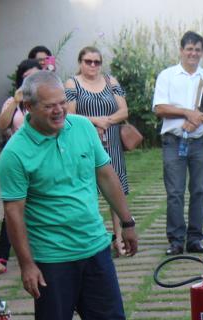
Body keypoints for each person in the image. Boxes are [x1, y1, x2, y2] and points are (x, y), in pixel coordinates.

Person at [0, 71, 162, 320]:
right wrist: (27, 264)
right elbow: (14, 212)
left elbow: (106, 175)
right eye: (49, 106)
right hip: (52, 257)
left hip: (94, 246)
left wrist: (128, 221)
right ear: (28, 107)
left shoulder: (83, 129)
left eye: (62, 103)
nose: (59, 111)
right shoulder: (15, 153)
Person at [152, 31, 203, 255]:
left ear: (202, 52)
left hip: (200, 141)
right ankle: (175, 240)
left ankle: (195, 239)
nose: (193, 53)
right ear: (181, 50)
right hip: (174, 141)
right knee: (174, 191)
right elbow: (159, 108)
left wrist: (199, 119)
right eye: (189, 49)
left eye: (197, 49)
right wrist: (186, 113)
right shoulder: (168, 75)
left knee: (199, 190)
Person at [65, 46, 131, 257]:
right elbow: (69, 114)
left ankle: (118, 237)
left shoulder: (111, 82)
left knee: (116, 187)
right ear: (80, 62)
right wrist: (95, 121)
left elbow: (124, 111)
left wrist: (107, 121)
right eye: (87, 61)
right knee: (86, 189)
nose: (92, 65)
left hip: (111, 142)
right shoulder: (72, 83)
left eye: (96, 62)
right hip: (84, 141)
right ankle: (90, 236)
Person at [0, 59, 42, 277]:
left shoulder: (46, 100)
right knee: (12, 209)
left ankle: (42, 254)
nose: (31, 80)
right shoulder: (14, 101)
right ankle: (1, 259)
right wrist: (15, 101)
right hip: (19, 161)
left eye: (36, 75)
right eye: (27, 76)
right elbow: (1, 125)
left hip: (43, 159)